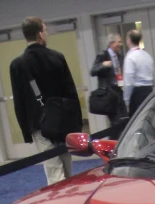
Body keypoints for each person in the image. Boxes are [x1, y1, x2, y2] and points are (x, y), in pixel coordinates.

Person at [10, 17, 82, 186]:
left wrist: (25, 131)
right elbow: (70, 92)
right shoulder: (57, 57)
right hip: (62, 121)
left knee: (53, 170)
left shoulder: (17, 65)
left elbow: (19, 102)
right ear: (40, 34)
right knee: (66, 166)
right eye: (46, 30)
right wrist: (77, 123)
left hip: (39, 124)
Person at [90, 34, 127, 127]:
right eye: (118, 42)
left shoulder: (120, 56)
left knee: (124, 120)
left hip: (119, 91)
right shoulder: (102, 56)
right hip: (108, 92)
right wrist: (103, 65)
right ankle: (115, 140)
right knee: (116, 122)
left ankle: (118, 139)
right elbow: (93, 71)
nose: (120, 44)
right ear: (111, 43)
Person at [123, 30, 155, 117]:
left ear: (129, 40)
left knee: (137, 120)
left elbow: (129, 81)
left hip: (137, 94)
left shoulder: (130, 57)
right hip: (149, 91)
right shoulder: (147, 55)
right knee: (148, 118)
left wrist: (126, 99)